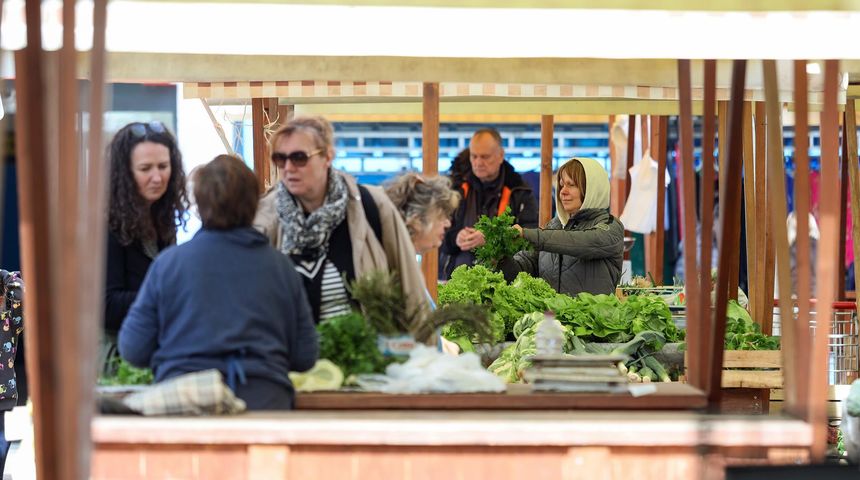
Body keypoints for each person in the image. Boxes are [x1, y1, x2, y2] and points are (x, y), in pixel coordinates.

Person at [119, 155, 318, 410]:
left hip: (185, 406)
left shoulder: (169, 265)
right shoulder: (281, 267)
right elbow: (305, 355)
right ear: (254, 204)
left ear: (200, 204)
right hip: (264, 404)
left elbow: (134, 349)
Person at [254, 116, 429, 324]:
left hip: (363, 352)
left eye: (299, 158)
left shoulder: (372, 205)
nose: (289, 167)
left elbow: (411, 290)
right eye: (280, 159)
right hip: (286, 354)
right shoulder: (264, 216)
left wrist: (421, 352)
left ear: (328, 157)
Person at [103, 121, 187, 370]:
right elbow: (105, 305)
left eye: (163, 166)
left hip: (149, 350)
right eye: (145, 168)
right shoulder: (104, 223)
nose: (157, 177)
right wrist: (168, 295)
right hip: (114, 357)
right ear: (124, 173)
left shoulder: (162, 217)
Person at [500, 157, 624, 296]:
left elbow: (581, 242)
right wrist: (500, 259)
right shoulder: (553, 226)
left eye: (571, 185)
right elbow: (521, 270)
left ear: (591, 189)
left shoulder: (611, 226)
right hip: (549, 317)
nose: (562, 192)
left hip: (593, 317)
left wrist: (526, 235)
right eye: (561, 185)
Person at [440, 128, 538, 279]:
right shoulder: (455, 188)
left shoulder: (520, 192)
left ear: (500, 155)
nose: (478, 163)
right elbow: (437, 237)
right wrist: (455, 238)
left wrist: (493, 239)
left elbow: (530, 239)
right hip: (456, 280)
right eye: (474, 156)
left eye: (485, 157)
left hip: (502, 283)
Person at [384, 172, 460, 306]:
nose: (448, 223)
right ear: (416, 220)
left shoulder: (403, 264)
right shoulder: (393, 273)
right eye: (441, 216)